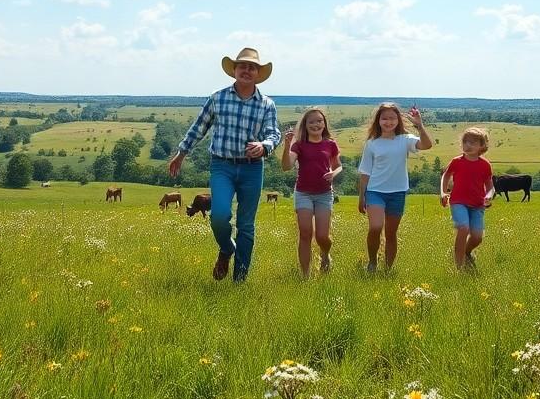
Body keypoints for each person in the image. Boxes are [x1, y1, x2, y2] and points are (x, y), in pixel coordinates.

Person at [169, 47, 281, 282]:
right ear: (234, 71)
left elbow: (273, 134)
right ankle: (227, 249)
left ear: (258, 73)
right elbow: (199, 127)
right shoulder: (218, 98)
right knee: (219, 215)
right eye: (242, 66)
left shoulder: (267, 104)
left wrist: (264, 145)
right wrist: (181, 153)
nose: (247, 70)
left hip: (252, 168)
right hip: (222, 166)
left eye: (252, 67)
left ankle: (239, 280)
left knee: (246, 225)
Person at [356, 102, 432, 272]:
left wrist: (419, 126)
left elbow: (427, 145)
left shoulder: (405, 140)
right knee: (375, 227)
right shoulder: (372, 143)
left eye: (392, 118)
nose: (388, 122)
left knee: (391, 234)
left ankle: (388, 269)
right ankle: (372, 262)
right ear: (378, 121)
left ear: (398, 120)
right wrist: (362, 197)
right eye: (384, 118)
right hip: (375, 191)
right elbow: (365, 172)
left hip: (398, 192)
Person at [281, 107, 342, 277]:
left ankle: (325, 255)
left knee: (322, 236)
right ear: (305, 125)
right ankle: (305, 275)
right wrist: (287, 146)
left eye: (319, 121)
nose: (316, 124)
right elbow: (286, 166)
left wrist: (333, 173)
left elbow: (338, 166)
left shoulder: (330, 144)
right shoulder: (299, 145)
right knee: (305, 232)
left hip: (324, 194)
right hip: (303, 193)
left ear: (324, 124)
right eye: (312, 122)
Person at [439, 127, 495, 270]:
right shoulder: (457, 161)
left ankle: (466, 252)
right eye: (465, 142)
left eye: (473, 143)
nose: (468, 145)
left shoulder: (485, 165)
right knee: (463, 228)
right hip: (458, 201)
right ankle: (459, 267)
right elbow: (446, 175)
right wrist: (443, 192)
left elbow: (490, 186)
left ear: (482, 146)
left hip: (477, 204)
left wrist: (488, 196)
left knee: (477, 237)